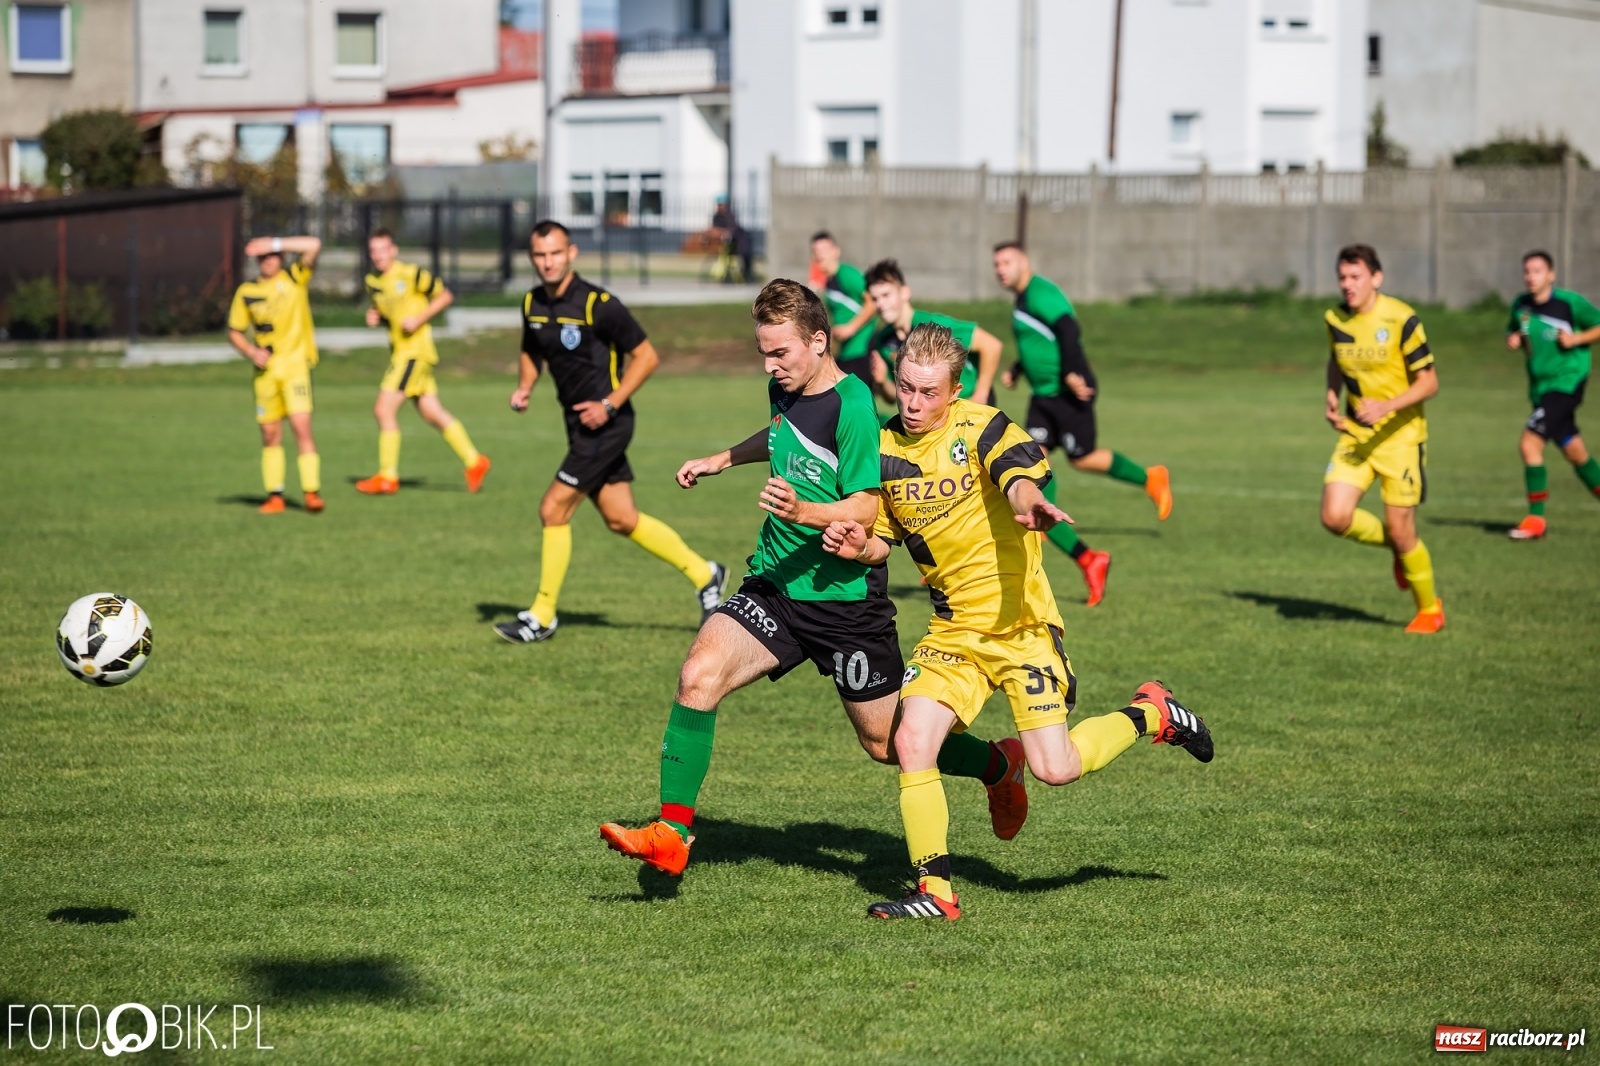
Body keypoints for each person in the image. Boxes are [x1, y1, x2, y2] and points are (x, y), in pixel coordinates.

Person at [598, 282, 1031, 878]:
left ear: (819, 341)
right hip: (776, 584)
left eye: (782, 354)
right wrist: (721, 458)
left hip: (845, 604)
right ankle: (673, 834)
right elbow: (783, 437)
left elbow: (862, 506)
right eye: (764, 355)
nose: (772, 367)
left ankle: (999, 766)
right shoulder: (786, 389)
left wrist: (803, 511)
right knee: (698, 675)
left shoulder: (853, 407)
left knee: (886, 744)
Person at [820, 323, 1212, 921]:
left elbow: (1019, 480)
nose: (914, 403)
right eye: (904, 389)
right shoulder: (884, 450)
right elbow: (885, 541)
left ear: (955, 391)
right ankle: (936, 894)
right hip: (954, 631)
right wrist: (859, 546)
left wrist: (1033, 507)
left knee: (1056, 769)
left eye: (928, 393)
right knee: (910, 741)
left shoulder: (984, 426)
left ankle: (1152, 713)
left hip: (1021, 626)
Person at [495, 220, 726, 643]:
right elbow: (531, 349)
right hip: (578, 425)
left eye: (555, 253)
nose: (548, 262)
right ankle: (705, 574)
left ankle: (542, 615)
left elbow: (647, 356)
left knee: (553, 509)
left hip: (609, 425)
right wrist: (525, 386)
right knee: (621, 519)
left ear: (571, 253)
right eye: (540, 255)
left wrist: (609, 404)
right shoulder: (531, 303)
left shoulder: (599, 304)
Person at [993, 243, 1173, 606]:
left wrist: (1075, 371)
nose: (1000, 269)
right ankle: (1054, 525)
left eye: (1006, 261)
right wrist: (1017, 368)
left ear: (1024, 261)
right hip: (1043, 397)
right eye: (996, 264)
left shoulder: (1041, 293)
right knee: (1032, 464)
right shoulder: (1021, 301)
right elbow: (1038, 343)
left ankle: (1150, 477)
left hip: (1068, 394)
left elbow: (1067, 330)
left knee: (1083, 457)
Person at [1319, 244, 1445, 634]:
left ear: (1377, 277)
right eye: (1342, 278)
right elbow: (1337, 359)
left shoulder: (1402, 319)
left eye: (1356, 277)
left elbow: (1430, 382)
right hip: (1357, 435)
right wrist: (1331, 394)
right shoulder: (1336, 318)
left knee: (1403, 529)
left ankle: (1429, 610)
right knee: (1334, 516)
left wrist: (1386, 406)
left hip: (1402, 439)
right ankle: (1397, 548)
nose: (1347, 285)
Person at [354, 229, 491, 495]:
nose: (378, 255)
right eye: (374, 251)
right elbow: (387, 313)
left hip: (414, 353)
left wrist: (419, 319)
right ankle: (475, 461)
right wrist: (376, 319)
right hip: (401, 352)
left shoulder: (411, 274)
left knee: (383, 410)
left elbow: (445, 296)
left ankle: (387, 476)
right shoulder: (373, 282)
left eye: (383, 249)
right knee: (433, 413)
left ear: (394, 250)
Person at [1504, 250, 1600, 540]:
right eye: (1527, 271)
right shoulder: (1521, 306)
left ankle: (1536, 520)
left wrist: (1577, 339)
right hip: (1540, 388)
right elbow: (1515, 333)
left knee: (1529, 444)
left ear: (1551, 275)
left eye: (1537, 271)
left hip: (1567, 383)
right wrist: (1513, 340)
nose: (1530, 277)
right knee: (1575, 452)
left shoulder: (1569, 304)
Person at [226, 235, 325, 515]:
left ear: (280, 257)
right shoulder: (247, 292)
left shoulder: (294, 279)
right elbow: (234, 331)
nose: (269, 260)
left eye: (273, 255)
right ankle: (275, 496)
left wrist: (276, 243)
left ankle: (311, 492)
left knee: (301, 428)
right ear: (257, 261)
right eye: (264, 256)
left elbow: (314, 245)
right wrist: (250, 351)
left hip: (295, 369)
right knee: (270, 434)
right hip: (265, 374)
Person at [864, 259, 1003, 407]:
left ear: (905, 292)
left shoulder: (934, 325)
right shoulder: (883, 340)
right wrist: (882, 381)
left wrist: (981, 395)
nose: (880, 304)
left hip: (969, 404)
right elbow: (892, 397)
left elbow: (991, 346)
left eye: (886, 295)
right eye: (874, 299)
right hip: (934, 414)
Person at [809, 232, 877, 388]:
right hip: (847, 351)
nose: (820, 255)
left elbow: (872, 302)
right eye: (815, 251)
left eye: (824, 250)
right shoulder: (828, 283)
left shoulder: (846, 274)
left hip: (862, 348)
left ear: (836, 251)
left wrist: (850, 328)